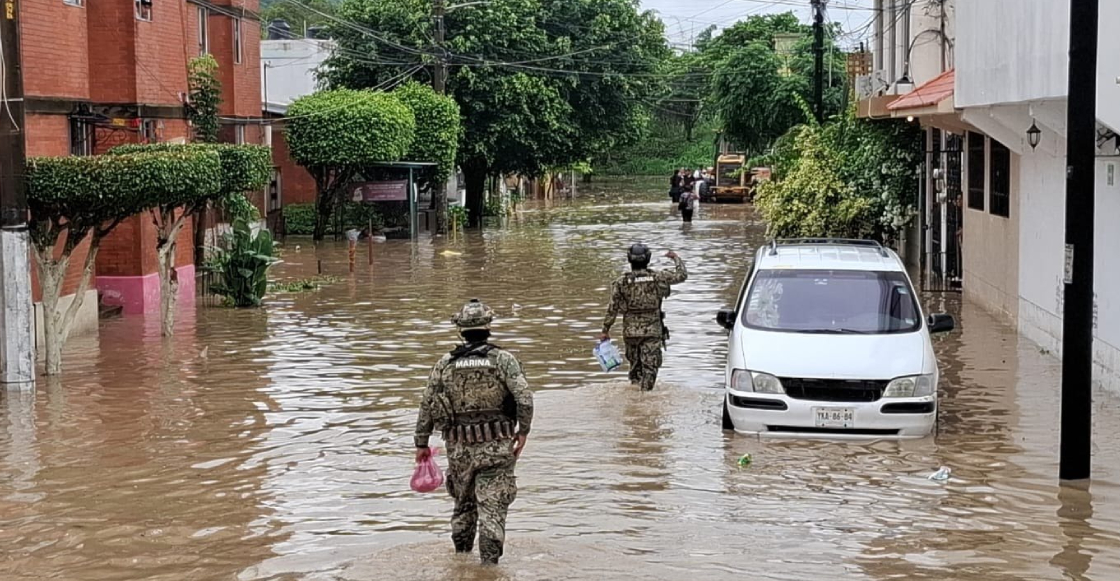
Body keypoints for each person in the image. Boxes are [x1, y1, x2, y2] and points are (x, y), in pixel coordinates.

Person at [414, 299, 534, 566]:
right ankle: (489, 568)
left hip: (458, 449)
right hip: (497, 446)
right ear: (488, 326)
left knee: (463, 504)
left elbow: (427, 403)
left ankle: (460, 562)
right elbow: (524, 399)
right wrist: (523, 431)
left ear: (461, 329)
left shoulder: (445, 363)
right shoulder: (504, 360)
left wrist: (421, 442)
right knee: (492, 506)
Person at [599, 245, 688, 391]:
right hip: (652, 331)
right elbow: (682, 275)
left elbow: (612, 308)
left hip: (630, 332)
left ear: (629, 260)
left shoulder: (621, 282)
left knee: (635, 367)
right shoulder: (659, 277)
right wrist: (676, 258)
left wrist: (605, 330)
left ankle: (634, 400)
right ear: (648, 259)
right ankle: (645, 401)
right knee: (650, 368)